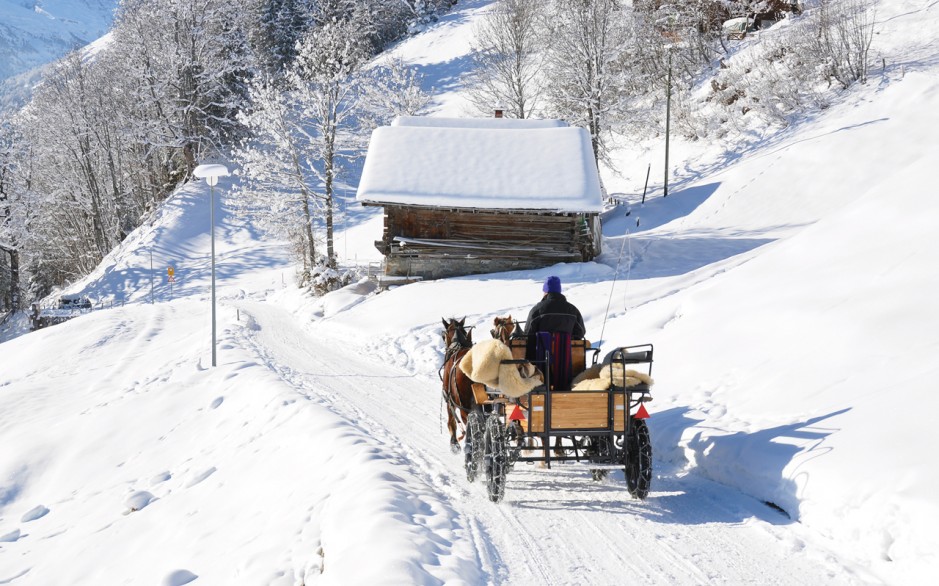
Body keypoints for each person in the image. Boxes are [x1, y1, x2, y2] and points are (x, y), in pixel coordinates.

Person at [524, 275, 586, 363]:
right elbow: (580, 332)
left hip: (540, 361)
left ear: (546, 291)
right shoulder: (573, 310)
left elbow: (528, 334)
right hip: (566, 361)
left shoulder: (537, 310)